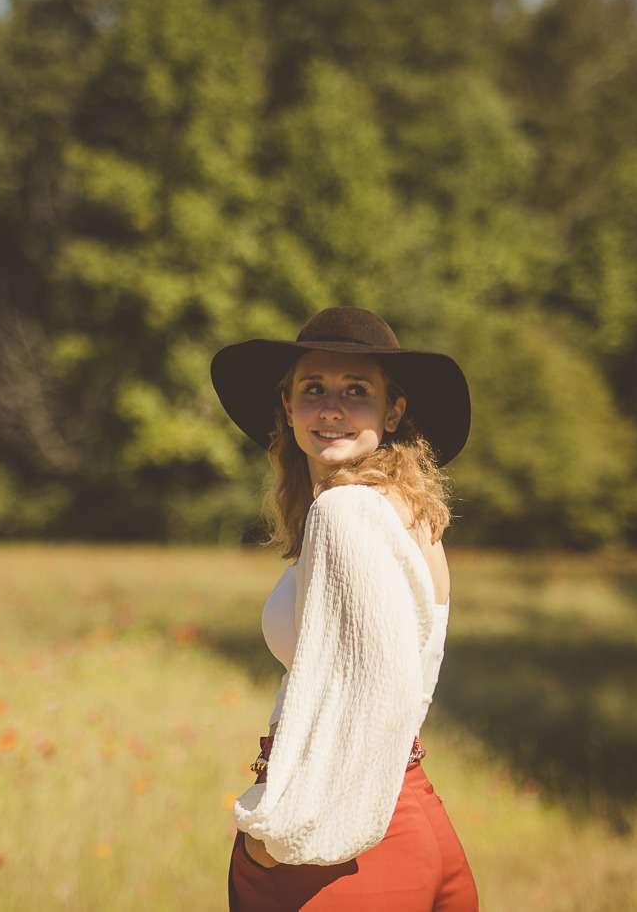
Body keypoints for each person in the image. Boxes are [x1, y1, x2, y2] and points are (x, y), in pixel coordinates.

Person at [210, 306, 479, 911]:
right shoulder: (398, 507)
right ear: (287, 405)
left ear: (394, 410)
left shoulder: (348, 513)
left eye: (356, 390)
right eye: (313, 389)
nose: (331, 407)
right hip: (413, 818)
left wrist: (274, 841)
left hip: (341, 845)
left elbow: (372, 699)